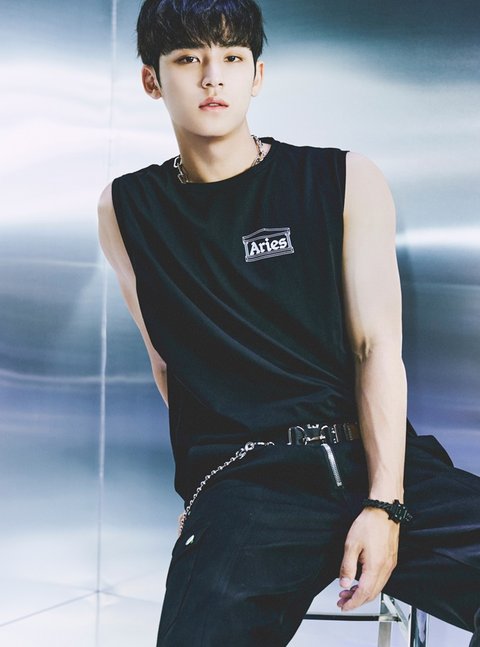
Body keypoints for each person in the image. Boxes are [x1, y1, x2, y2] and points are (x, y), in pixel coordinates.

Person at [97, 1, 480, 645]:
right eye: (188, 58)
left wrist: (385, 503)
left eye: (231, 57)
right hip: (250, 483)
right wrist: (208, 501)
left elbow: (376, 348)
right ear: (151, 80)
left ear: (257, 74)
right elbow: (168, 363)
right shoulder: (127, 207)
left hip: (377, 460)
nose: (212, 77)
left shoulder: (342, 178)